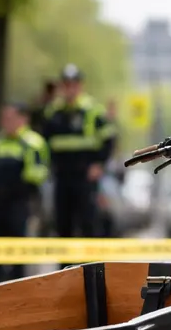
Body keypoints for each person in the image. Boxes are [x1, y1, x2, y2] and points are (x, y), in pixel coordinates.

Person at [39, 64, 118, 238]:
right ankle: (66, 265)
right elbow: (44, 142)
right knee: (62, 224)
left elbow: (109, 139)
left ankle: (90, 266)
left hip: (85, 177)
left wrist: (99, 165)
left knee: (88, 223)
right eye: (66, 85)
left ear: (80, 86)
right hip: (62, 176)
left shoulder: (92, 111)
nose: (70, 89)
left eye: (73, 84)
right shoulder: (53, 112)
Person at [0, 101, 50, 284]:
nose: (6, 121)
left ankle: (18, 283)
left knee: (19, 247)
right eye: (4, 118)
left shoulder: (32, 143)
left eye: (10, 117)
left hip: (21, 201)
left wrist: (20, 182)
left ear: (22, 118)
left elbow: (40, 172)